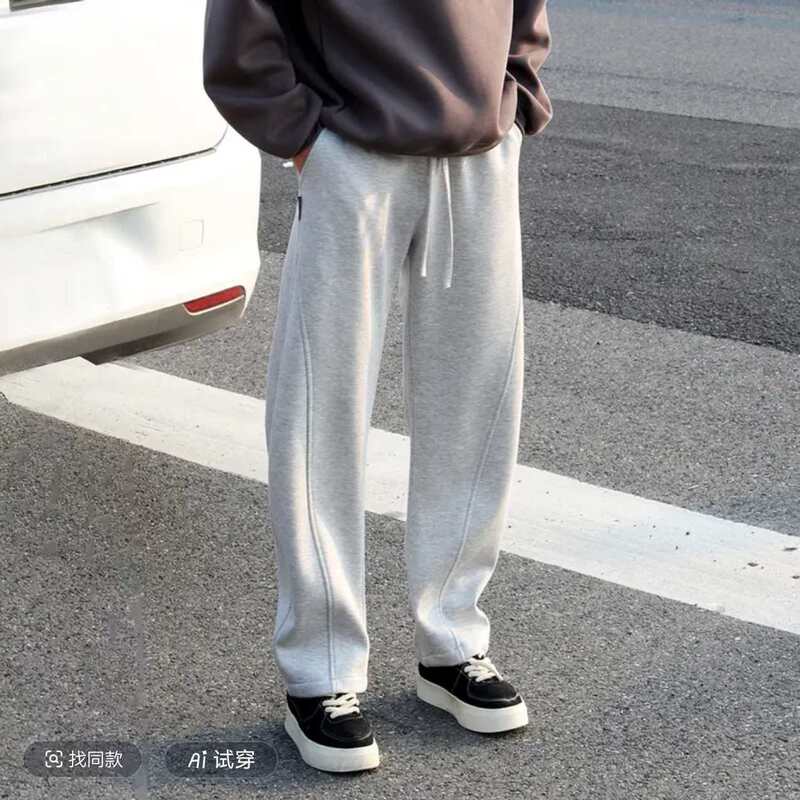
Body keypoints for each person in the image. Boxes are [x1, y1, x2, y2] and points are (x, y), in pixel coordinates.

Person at [202, 0, 553, 773]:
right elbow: (241, 27)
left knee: (478, 402)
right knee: (319, 410)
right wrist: (304, 137)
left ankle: (452, 641)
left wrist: (517, 92)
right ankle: (320, 670)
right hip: (351, 151)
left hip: (480, 148)